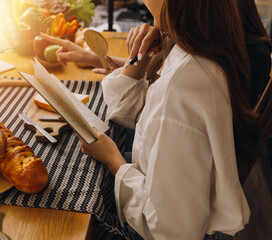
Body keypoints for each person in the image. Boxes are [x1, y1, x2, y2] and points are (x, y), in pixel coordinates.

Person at [43, 0, 258, 239]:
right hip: (168, 191)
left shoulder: (182, 86)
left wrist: (114, 159)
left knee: (67, 211)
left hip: (157, 228)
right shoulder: (196, 48)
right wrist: (147, 57)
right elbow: (139, 112)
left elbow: (173, 230)